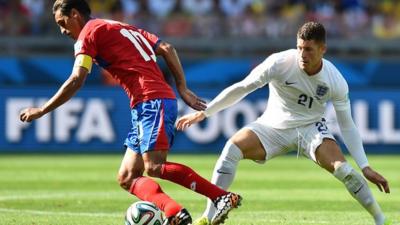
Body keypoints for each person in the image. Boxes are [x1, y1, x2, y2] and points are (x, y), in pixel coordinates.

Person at [18, 1, 241, 225]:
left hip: (151, 100)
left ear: (75, 14)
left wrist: (43, 109)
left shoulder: (87, 35)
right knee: (127, 176)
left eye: (62, 23)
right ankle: (175, 214)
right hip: (148, 102)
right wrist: (181, 87)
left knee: (154, 166)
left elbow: (77, 79)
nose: (62, 30)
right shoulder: (119, 27)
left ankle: (220, 196)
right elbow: (167, 48)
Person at [177, 21, 391, 225]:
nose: (302, 55)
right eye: (299, 48)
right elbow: (243, 87)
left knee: (345, 171)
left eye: (309, 49)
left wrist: (365, 166)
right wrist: (206, 113)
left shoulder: (335, 81)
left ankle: (381, 220)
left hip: (310, 129)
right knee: (231, 149)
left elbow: (347, 125)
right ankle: (209, 216)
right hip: (272, 127)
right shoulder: (279, 62)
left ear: (323, 49)